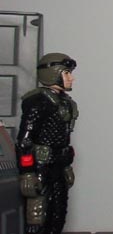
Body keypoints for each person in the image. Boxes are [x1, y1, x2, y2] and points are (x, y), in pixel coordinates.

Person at [16, 52, 78, 234]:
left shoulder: (65, 102)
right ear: (53, 73)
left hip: (59, 165)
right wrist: (27, 173)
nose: (71, 78)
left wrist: (66, 166)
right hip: (40, 168)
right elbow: (25, 141)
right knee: (37, 217)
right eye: (66, 73)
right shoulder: (37, 102)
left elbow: (64, 137)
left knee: (58, 214)